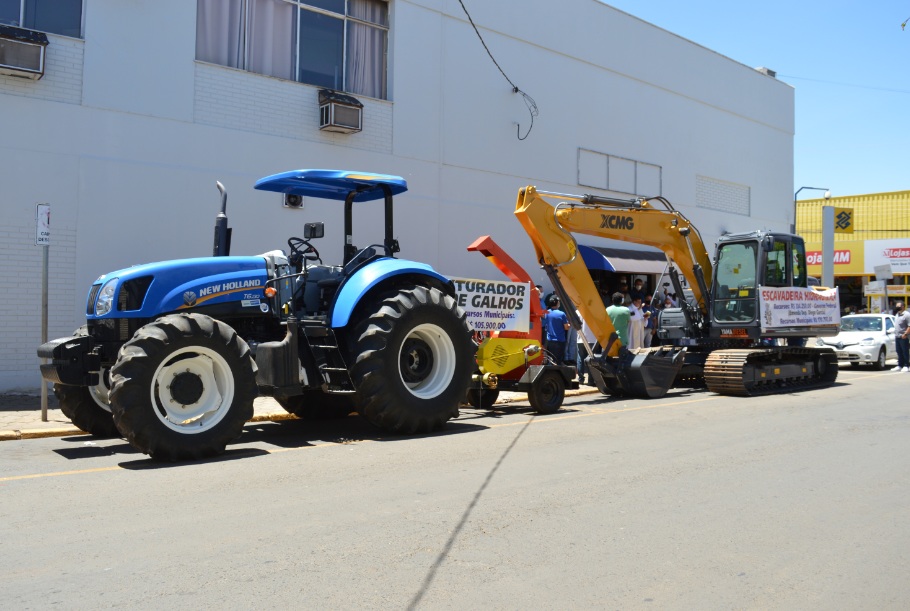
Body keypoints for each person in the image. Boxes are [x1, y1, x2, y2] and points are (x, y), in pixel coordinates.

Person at [543, 295, 570, 365]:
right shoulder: (562, 314)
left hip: (549, 340)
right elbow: (566, 327)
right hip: (559, 341)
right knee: (558, 361)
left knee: (551, 359)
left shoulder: (547, 312)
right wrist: (569, 324)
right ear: (557, 303)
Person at [575, 309, 598, 385]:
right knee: (591, 360)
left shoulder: (577, 311)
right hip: (592, 339)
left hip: (580, 338)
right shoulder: (594, 311)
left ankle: (581, 379)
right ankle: (591, 380)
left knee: (580, 359)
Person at [892, 301, 910, 372]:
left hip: (904, 336)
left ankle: (906, 365)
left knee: (905, 351)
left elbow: (909, 325)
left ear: (903, 306)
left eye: (898, 306)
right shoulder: (897, 314)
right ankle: (900, 365)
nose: (897, 308)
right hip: (897, 336)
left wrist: (905, 334)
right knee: (898, 351)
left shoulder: (907, 315)